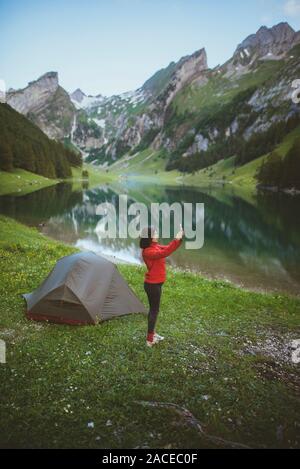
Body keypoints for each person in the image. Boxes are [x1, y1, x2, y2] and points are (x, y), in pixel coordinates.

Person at [140, 225, 184, 348]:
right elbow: (165, 252)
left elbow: (169, 248)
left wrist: (179, 238)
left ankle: (152, 334)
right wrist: (177, 238)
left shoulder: (155, 247)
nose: (157, 234)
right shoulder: (148, 251)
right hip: (152, 285)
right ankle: (149, 340)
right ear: (149, 237)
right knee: (154, 311)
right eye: (155, 233)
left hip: (156, 284)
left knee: (154, 310)